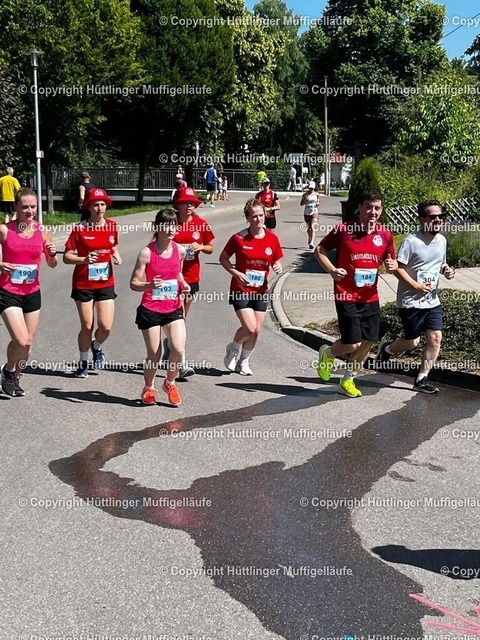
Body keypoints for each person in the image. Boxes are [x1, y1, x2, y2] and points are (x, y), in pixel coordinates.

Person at [314, 189, 397, 398]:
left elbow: (391, 262)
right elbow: (320, 250)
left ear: (381, 210)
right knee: (352, 343)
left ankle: (347, 379)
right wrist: (332, 270)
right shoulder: (343, 230)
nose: (372, 212)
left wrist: (393, 266)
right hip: (346, 294)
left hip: (370, 296)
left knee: (369, 340)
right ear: (359, 208)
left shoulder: (385, 235)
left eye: (377, 208)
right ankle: (328, 353)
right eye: (368, 207)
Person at [376, 200, 455, 394]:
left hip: (432, 300)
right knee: (412, 342)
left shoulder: (442, 240)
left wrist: (446, 270)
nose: (438, 220)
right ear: (422, 219)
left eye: (440, 216)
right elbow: (397, 269)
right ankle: (386, 349)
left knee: (435, 337)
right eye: (433, 216)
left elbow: (441, 263)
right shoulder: (411, 241)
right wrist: (416, 286)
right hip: (410, 301)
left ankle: (421, 379)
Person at [0, 188, 58, 396]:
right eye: (25, 207)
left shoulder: (43, 230)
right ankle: (8, 370)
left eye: (33, 206)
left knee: (28, 343)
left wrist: (52, 254)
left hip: (32, 292)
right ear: (16, 207)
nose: (29, 211)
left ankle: (16, 376)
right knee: (21, 339)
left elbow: (52, 263)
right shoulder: (5, 230)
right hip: (8, 291)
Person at [130, 208, 190, 406]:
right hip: (151, 309)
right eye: (165, 225)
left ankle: (169, 383)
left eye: (173, 226)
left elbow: (178, 273)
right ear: (157, 227)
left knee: (178, 349)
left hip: (173, 307)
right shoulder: (146, 253)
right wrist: (149, 285)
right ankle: (148, 387)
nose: (170, 230)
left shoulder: (180, 251)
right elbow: (133, 283)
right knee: (154, 354)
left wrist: (183, 283)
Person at [220, 198, 283, 375]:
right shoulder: (238, 238)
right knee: (249, 327)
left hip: (261, 290)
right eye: (254, 216)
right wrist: (236, 273)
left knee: (256, 331)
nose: (258, 219)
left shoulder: (272, 238)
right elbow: (223, 258)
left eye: (261, 215)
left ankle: (244, 361)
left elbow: (276, 260)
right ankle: (233, 348)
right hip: (241, 289)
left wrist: (277, 265)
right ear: (247, 218)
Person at [63, 188, 122, 378]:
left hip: (105, 282)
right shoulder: (79, 229)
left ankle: (97, 346)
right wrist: (83, 259)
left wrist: (116, 255)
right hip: (83, 284)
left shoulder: (112, 225)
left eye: (103, 204)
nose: (100, 208)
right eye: (95, 204)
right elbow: (66, 257)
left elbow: (112, 245)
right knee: (87, 325)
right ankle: (83, 363)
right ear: (88, 207)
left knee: (106, 326)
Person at [170, 186, 215, 378]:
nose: (188, 206)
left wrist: (201, 246)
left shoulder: (200, 224)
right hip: (172, 278)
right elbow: (159, 244)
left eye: (191, 203)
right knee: (179, 318)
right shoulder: (171, 223)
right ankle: (181, 362)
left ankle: (170, 345)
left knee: (182, 318)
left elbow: (211, 248)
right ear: (178, 205)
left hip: (191, 277)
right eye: (185, 203)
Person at [300, 181, 320, 249]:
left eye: (312, 188)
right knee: (309, 228)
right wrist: (305, 200)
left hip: (314, 212)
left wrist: (318, 203)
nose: (311, 189)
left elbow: (318, 201)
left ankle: (312, 242)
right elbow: (301, 204)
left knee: (313, 227)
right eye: (310, 188)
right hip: (307, 213)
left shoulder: (317, 194)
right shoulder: (305, 195)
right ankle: (310, 237)